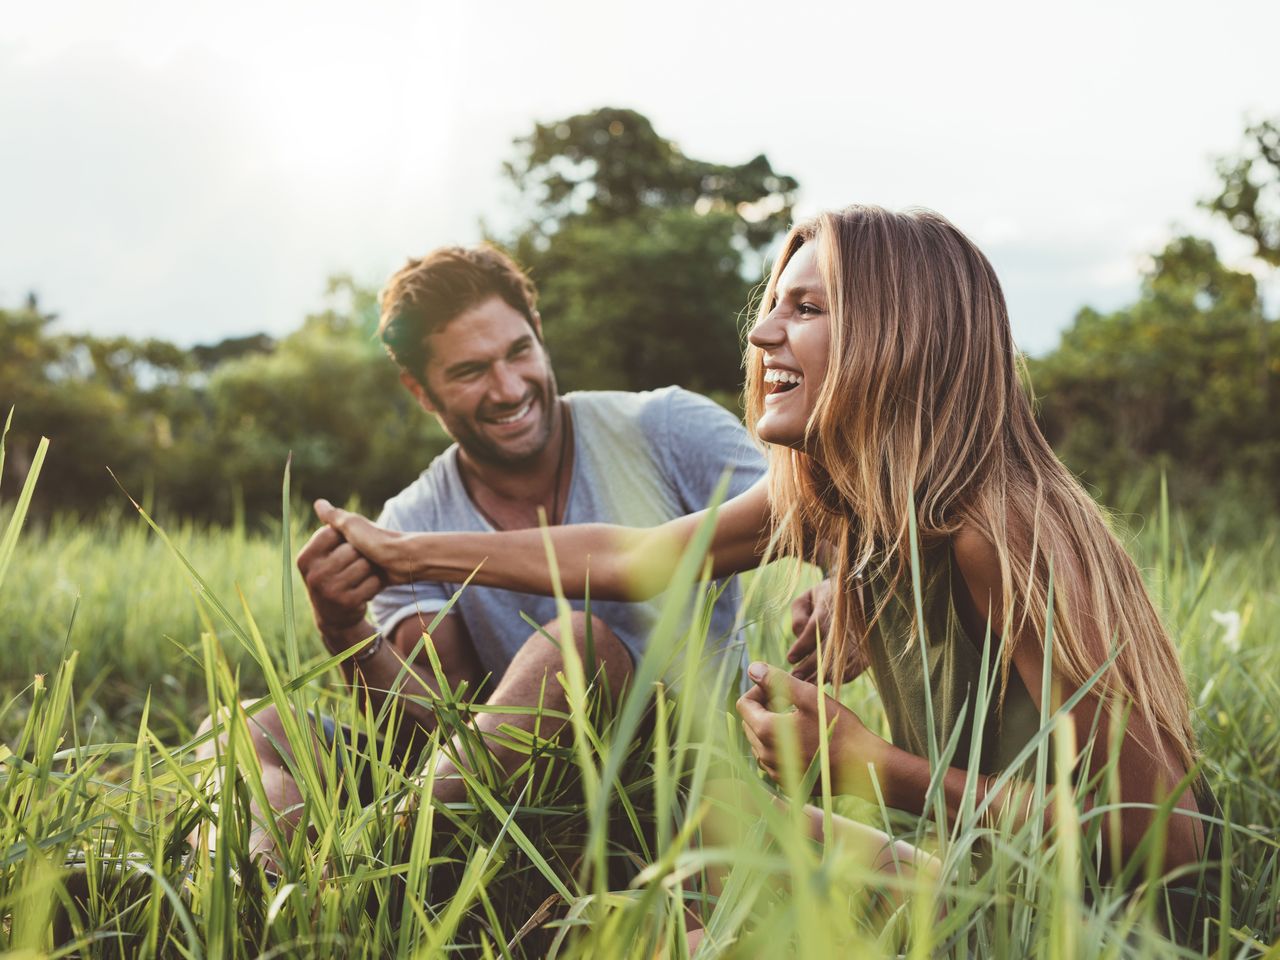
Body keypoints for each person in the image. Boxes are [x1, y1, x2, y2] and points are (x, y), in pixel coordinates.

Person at [316, 206, 1216, 908]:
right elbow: (633, 557)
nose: (760, 335)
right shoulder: (849, 502)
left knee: (673, 914)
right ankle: (378, 885)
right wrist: (403, 551)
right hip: (974, 867)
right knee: (696, 835)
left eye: (806, 308)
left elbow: (1162, 839)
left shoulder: (1000, 531)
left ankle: (356, 884)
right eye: (773, 305)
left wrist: (873, 767)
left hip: (1059, 916)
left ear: (896, 337)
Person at [196, 245, 768, 860]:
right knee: (244, 727)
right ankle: (254, 884)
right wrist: (341, 628)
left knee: (577, 646)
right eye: (470, 372)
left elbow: (818, 516)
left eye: (519, 352)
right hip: (502, 797)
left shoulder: (666, 427)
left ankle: (362, 865)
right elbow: (436, 725)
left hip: (674, 781)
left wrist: (834, 583)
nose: (508, 388)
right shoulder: (410, 518)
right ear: (420, 390)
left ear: (539, 334)